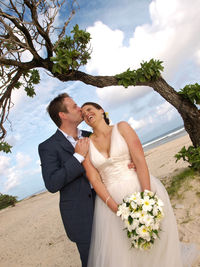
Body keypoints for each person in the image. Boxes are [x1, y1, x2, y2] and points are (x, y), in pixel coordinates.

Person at [81, 102, 183, 267]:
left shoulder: (122, 128)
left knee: (154, 241)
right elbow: (94, 179)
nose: (86, 114)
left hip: (139, 187)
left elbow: (140, 160)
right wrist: (117, 209)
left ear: (101, 111)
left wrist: (147, 196)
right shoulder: (85, 144)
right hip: (110, 201)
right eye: (83, 114)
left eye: (89, 109)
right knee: (122, 249)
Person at [38, 93, 95, 267]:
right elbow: (52, 183)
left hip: (106, 205)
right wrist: (78, 156)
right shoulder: (48, 147)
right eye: (75, 106)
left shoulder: (90, 135)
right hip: (81, 216)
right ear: (63, 115)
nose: (80, 108)